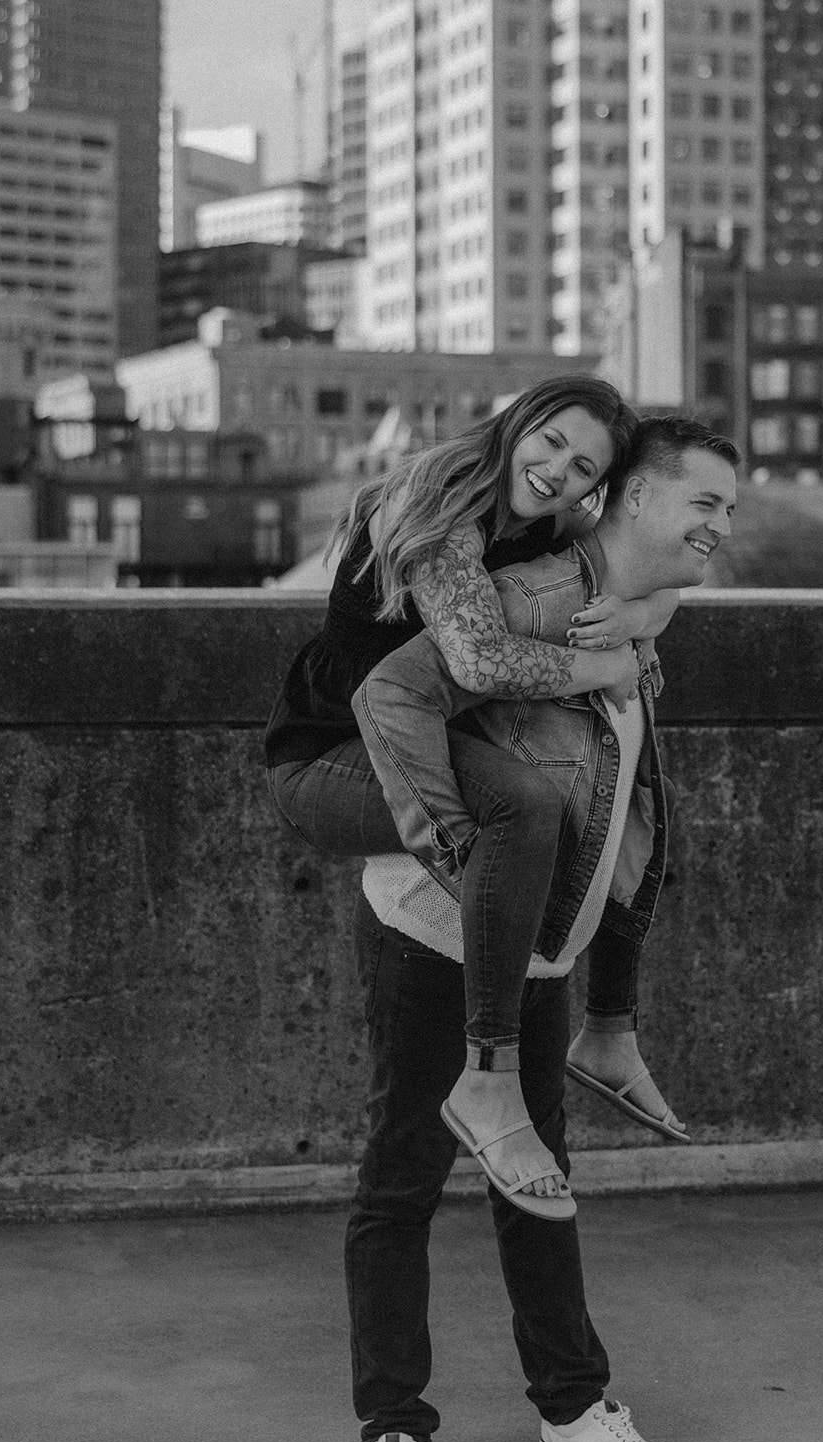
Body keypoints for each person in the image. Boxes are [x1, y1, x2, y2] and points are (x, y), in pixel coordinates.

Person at [344, 416, 740, 1442]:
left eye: (731, 510)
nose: (720, 528)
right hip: (439, 931)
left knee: (539, 1172)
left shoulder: (632, 606)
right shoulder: (533, 593)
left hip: (540, 944)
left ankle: (569, 1405)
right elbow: (391, 693)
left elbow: (627, 804)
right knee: (403, 1172)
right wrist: (455, 852)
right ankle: (393, 1432)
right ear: (627, 501)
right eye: (702, 504)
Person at [266, 379, 685, 1216]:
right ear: (519, 422)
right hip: (333, 754)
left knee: (623, 794)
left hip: (433, 742)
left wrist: (652, 609)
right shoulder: (433, 506)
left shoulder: (537, 521)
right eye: (552, 442)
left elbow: (653, 562)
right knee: (525, 807)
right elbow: (478, 664)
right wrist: (603, 663)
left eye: (582, 468)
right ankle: (490, 1069)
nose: (558, 471)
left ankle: (607, 1027)